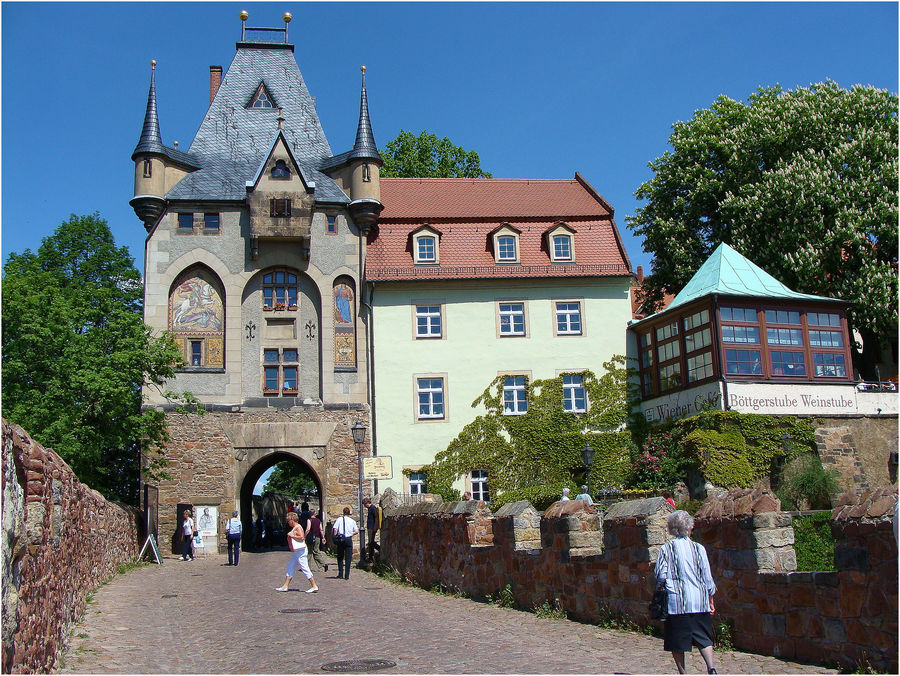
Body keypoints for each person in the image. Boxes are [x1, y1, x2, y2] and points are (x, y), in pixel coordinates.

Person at [654, 510, 718, 675]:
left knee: (678, 641)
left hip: (677, 602)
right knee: (704, 637)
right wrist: (710, 598)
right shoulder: (699, 548)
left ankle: (683, 673)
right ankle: (711, 668)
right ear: (689, 527)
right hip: (699, 599)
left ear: (671, 528)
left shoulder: (666, 549)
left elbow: (660, 575)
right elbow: (707, 576)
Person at [275, 511, 318, 593]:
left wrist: (292, 535)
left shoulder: (298, 527)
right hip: (297, 551)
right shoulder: (295, 527)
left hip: (300, 551)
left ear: (292, 520)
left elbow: (301, 537)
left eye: (288, 521)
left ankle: (314, 585)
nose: (288, 523)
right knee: (290, 567)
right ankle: (285, 585)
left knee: (305, 568)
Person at [332, 506, 358, 580]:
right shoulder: (352, 521)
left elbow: (335, 530)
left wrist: (335, 537)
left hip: (341, 539)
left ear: (343, 512)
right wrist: (350, 533)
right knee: (348, 558)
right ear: (349, 513)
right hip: (348, 539)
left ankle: (340, 573)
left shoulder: (339, 519)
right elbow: (356, 531)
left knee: (340, 556)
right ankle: (347, 575)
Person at [305, 509, 329, 574]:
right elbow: (321, 530)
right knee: (316, 551)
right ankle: (323, 564)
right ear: (314, 514)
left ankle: (307, 567)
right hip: (317, 537)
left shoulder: (309, 520)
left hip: (310, 537)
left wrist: (304, 536)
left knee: (309, 552)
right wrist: (323, 538)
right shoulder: (318, 521)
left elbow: (308, 529)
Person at [364, 497, 381, 562]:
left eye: (365, 504)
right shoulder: (370, 509)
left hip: (372, 527)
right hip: (370, 527)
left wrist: (375, 527)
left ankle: (378, 550)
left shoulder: (373, 508)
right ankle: (371, 556)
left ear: (367, 503)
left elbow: (376, 518)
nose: (364, 506)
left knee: (371, 542)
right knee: (371, 542)